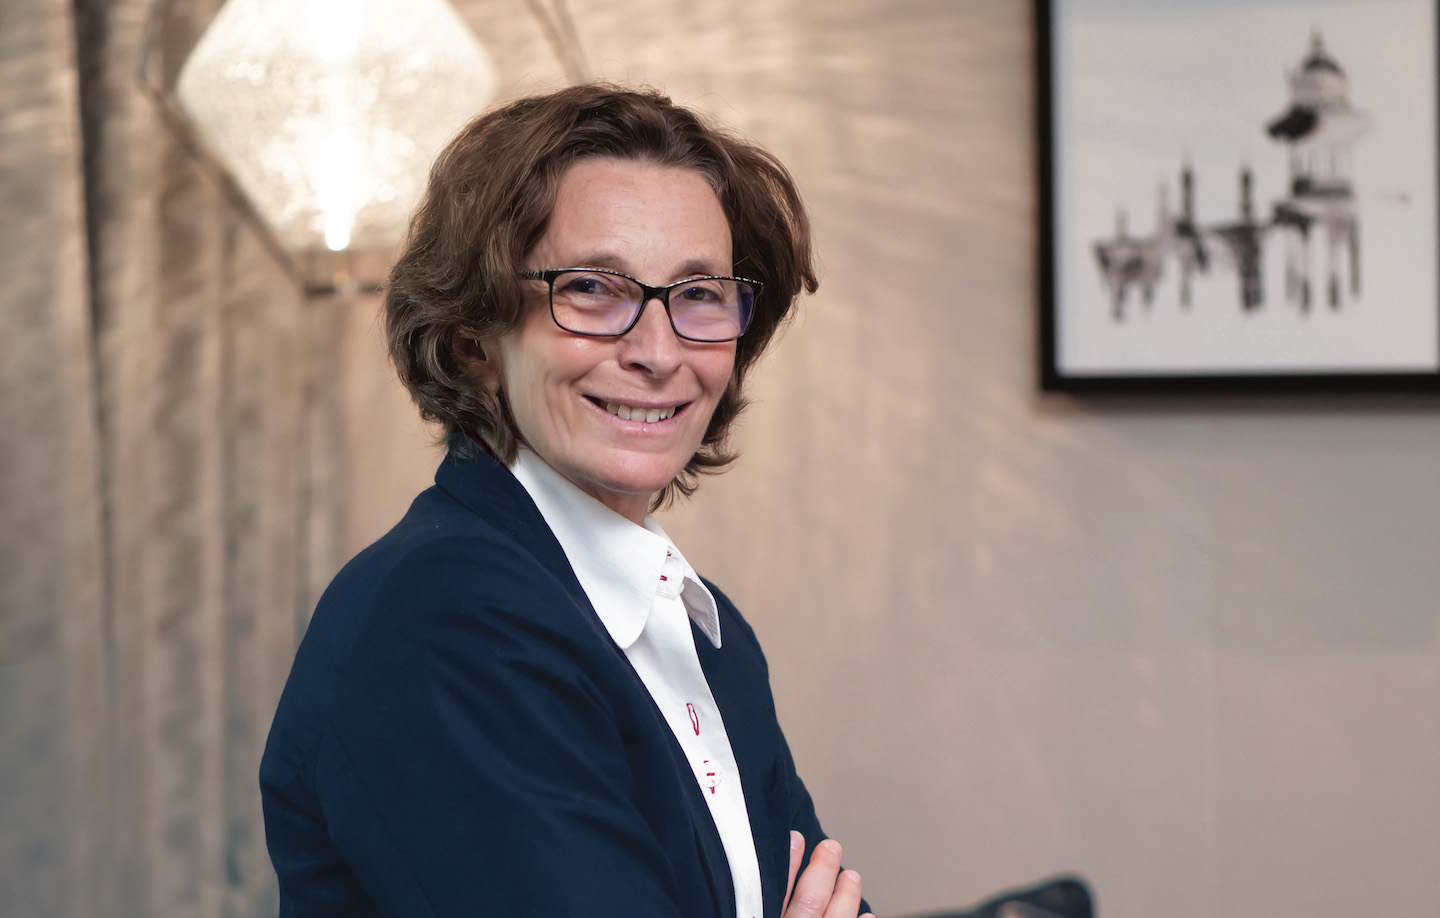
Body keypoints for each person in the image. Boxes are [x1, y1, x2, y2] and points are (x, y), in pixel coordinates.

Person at [260, 83, 873, 918]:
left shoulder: (704, 630)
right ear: (475, 338)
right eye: (592, 288)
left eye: (699, 294)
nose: (659, 352)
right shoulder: (443, 618)